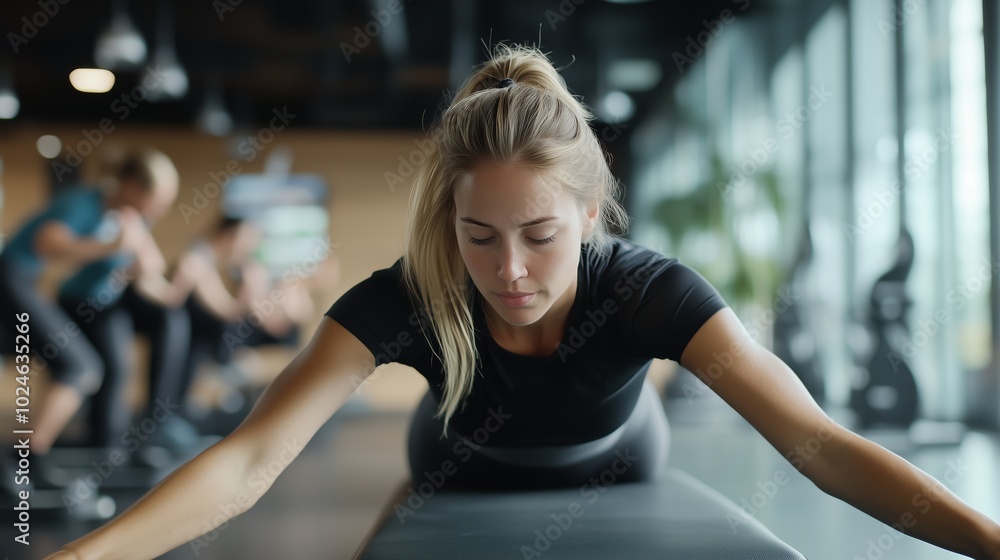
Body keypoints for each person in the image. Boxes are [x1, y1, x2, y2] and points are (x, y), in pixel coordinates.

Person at [44, 46, 1000, 560]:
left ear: (589, 212)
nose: (508, 271)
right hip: (455, 463)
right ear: (448, 218)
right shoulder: (411, 295)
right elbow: (251, 459)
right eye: (479, 235)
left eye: (542, 237)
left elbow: (820, 444)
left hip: (622, 460)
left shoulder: (649, 290)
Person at [0, 149, 178, 473]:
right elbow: (46, 242)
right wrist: (113, 247)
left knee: (86, 367)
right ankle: (23, 461)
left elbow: (150, 265)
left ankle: (32, 459)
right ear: (133, 187)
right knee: (80, 367)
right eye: (159, 199)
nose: (162, 209)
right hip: (11, 276)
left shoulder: (126, 218)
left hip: (24, 279)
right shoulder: (83, 203)